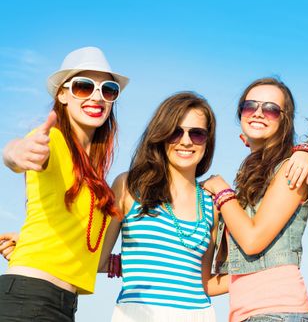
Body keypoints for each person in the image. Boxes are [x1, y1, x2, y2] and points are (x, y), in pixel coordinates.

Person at [0, 46, 129, 321]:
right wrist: (16, 153)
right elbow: (15, 153)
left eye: (107, 90)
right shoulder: (53, 141)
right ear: (62, 94)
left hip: (61, 304)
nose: (97, 97)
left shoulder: (93, 174)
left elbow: (82, 246)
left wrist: (123, 263)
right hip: (29, 296)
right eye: (84, 86)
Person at [100, 92, 223, 321]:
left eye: (197, 133)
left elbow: (203, 281)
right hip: (138, 314)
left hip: (197, 315)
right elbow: (95, 256)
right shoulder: (128, 186)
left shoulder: (211, 204)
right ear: (161, 135)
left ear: (208, 141)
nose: (186, 141)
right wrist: (32, 246)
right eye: (176, 132)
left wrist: (266, 277)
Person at [203, 77, 308, 321]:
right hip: (250, 314)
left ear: (285, 120)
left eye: (271, 109)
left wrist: (221, 191)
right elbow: (214, 284)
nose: (259, 113)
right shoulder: (247, 186)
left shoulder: (290, 169)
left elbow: (252, 240)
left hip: (277, 312)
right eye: (250, 106)